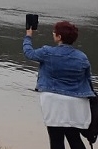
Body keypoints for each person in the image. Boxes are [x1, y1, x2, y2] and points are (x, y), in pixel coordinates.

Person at [24, 20, 94, 149]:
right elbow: (87, 80)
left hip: (53, 101)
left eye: (55, 32)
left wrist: (28, 36)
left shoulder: (47, 52)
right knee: (74, 138)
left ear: (59, 37)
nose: (53, 33)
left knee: (56, 139)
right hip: (75, 103)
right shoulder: (82, 57)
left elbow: (29, 53)